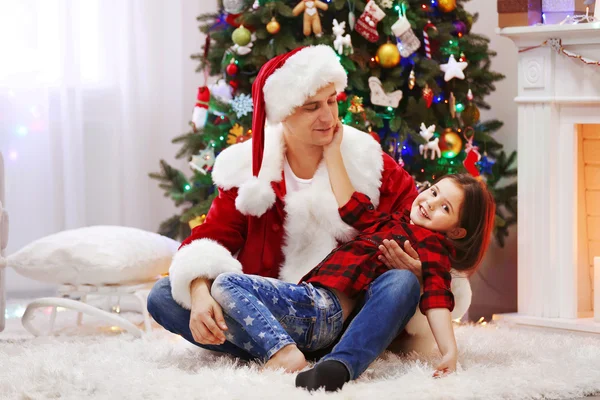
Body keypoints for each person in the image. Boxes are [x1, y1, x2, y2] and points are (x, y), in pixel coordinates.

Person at [146, 45, 472, 378]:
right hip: (272, 310)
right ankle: (277, 349)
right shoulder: (247, 170)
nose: (329, 117)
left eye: (332, 101)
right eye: (312, 107)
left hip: (348, 320)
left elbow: (422, 231)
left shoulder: (369, 163)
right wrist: (199, 291)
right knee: (163, 296)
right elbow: (210, 238)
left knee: (402, 282)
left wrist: (418, 270)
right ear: (283, 112)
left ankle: (339, 361)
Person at [211, 122, 496, 391]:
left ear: (457, 232)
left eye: (444, 207)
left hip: (324, 310)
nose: (429, 203)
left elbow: (437, 298)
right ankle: (290, 349)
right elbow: (352, 206)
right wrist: (333, 151)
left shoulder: (433, 247)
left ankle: (335, 363)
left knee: (226, 284)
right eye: (433, 192)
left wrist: (449, 350)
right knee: (197, 292)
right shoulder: (390, 222)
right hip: (308, 305)